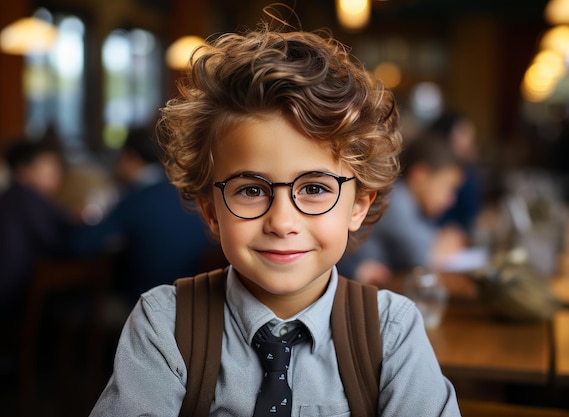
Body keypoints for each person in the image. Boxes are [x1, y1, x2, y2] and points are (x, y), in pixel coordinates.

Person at [88, 17, 461, 417]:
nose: (282, 222)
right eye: (251, 190)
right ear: (211, 211)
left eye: (315, 188)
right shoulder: (164, 326)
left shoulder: (392, 332)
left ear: (359, 205)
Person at [71, 127, 221, 305]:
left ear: (131, 158)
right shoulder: (189, 195)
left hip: (145, 303)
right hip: (196, 302)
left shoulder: (135, 198)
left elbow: (82, 245)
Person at [338, 132, 464, 285]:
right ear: (420, 175)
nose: (451, 199)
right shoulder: (395, 200)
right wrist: (440, 245)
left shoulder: (411, 203)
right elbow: (422, 258)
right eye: (447, 188)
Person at [0, 137, 77, 318]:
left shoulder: (13, 196)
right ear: (23, 170)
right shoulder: (27, 198)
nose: (57, 174)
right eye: (48, 168)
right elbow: (60, 243)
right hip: (14, 296)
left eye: (57, 168)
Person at [427, 111, 482, 245]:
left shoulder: (467, 169)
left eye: (470, 135)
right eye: (463, 134)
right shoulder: (433, 170)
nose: (468, 141)